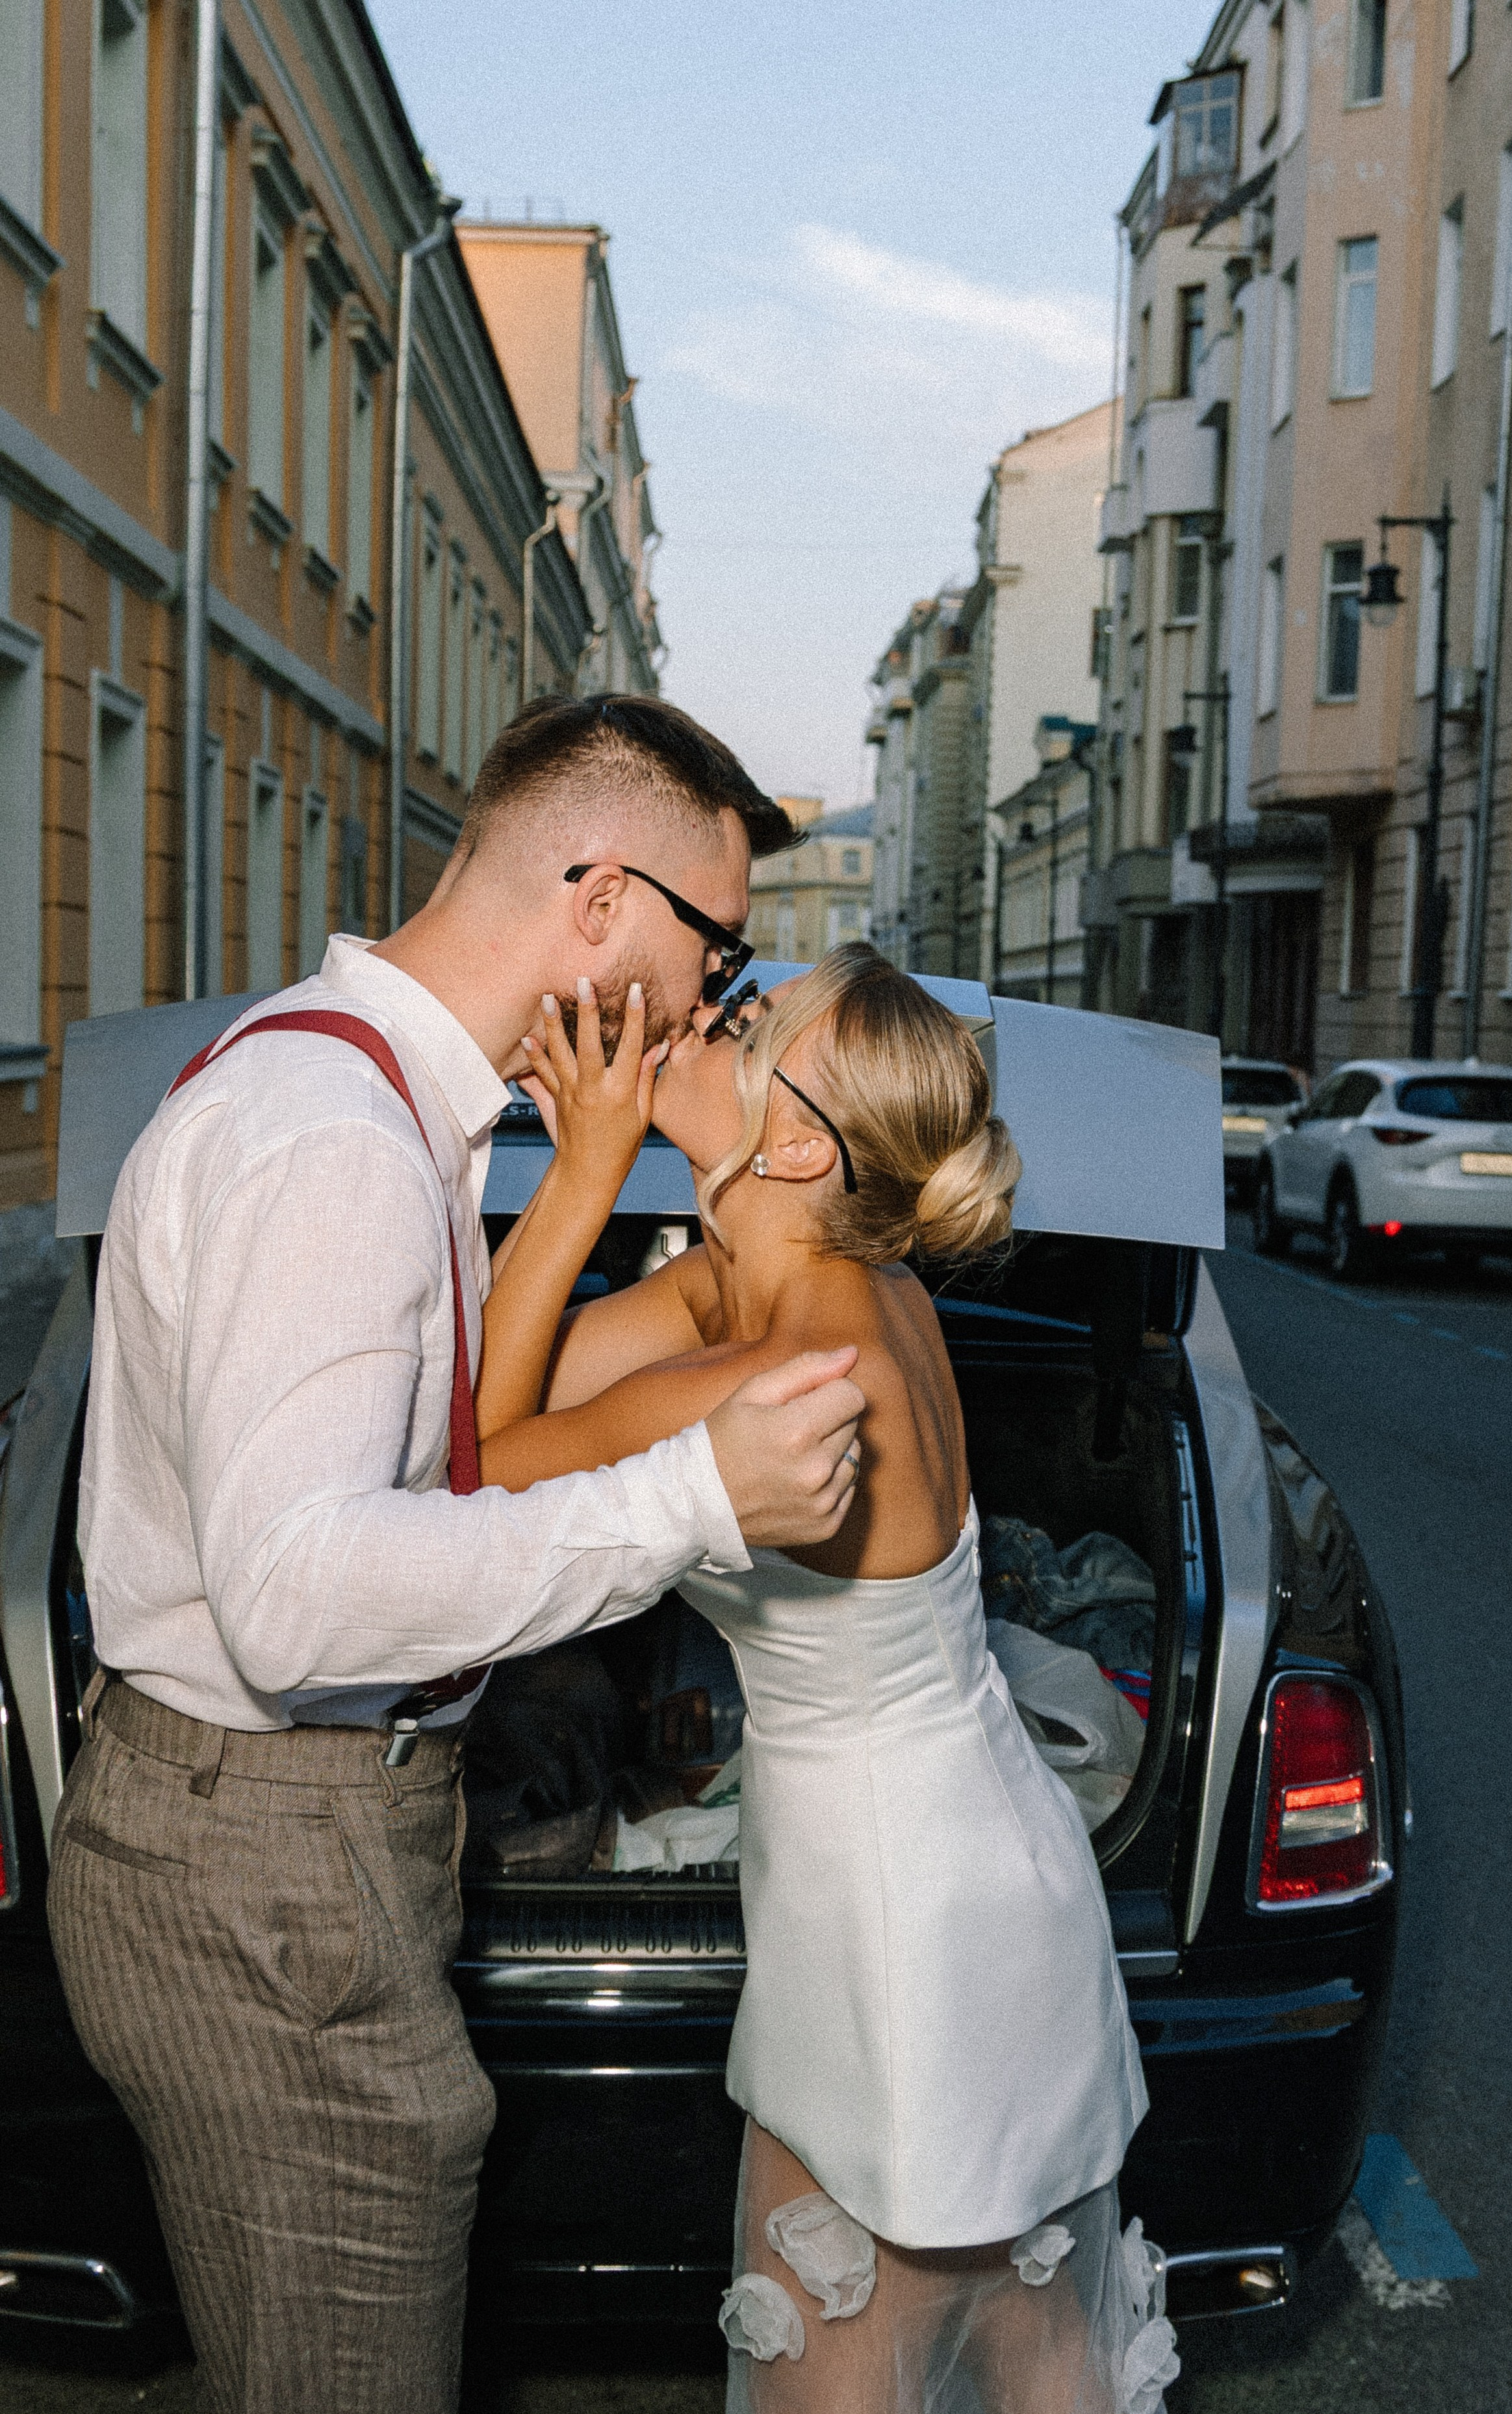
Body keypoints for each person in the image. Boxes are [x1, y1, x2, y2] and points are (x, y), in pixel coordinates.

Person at [46, 695, 869, 2414]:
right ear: (602, 904)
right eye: (711, 946)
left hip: (278, 1847)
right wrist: (696, 1499)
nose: (711, 998)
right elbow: (300, 1601)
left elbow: (457, 1436)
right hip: (265, 1865)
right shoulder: (334, 1138)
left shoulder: (362, 1091)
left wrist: (577, 1180)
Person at [475, 944, 1179, 2414]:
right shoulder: (796, 1285)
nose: (700, 1027)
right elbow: (506, 1386)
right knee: (1030, 2354)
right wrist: (605, 1168)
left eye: (742, 1028)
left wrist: (582, 1170)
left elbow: (463, 1459)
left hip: (896, 1920)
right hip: (963, 1863)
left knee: (838, 2373)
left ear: (793, 1138)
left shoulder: (791, 1365)